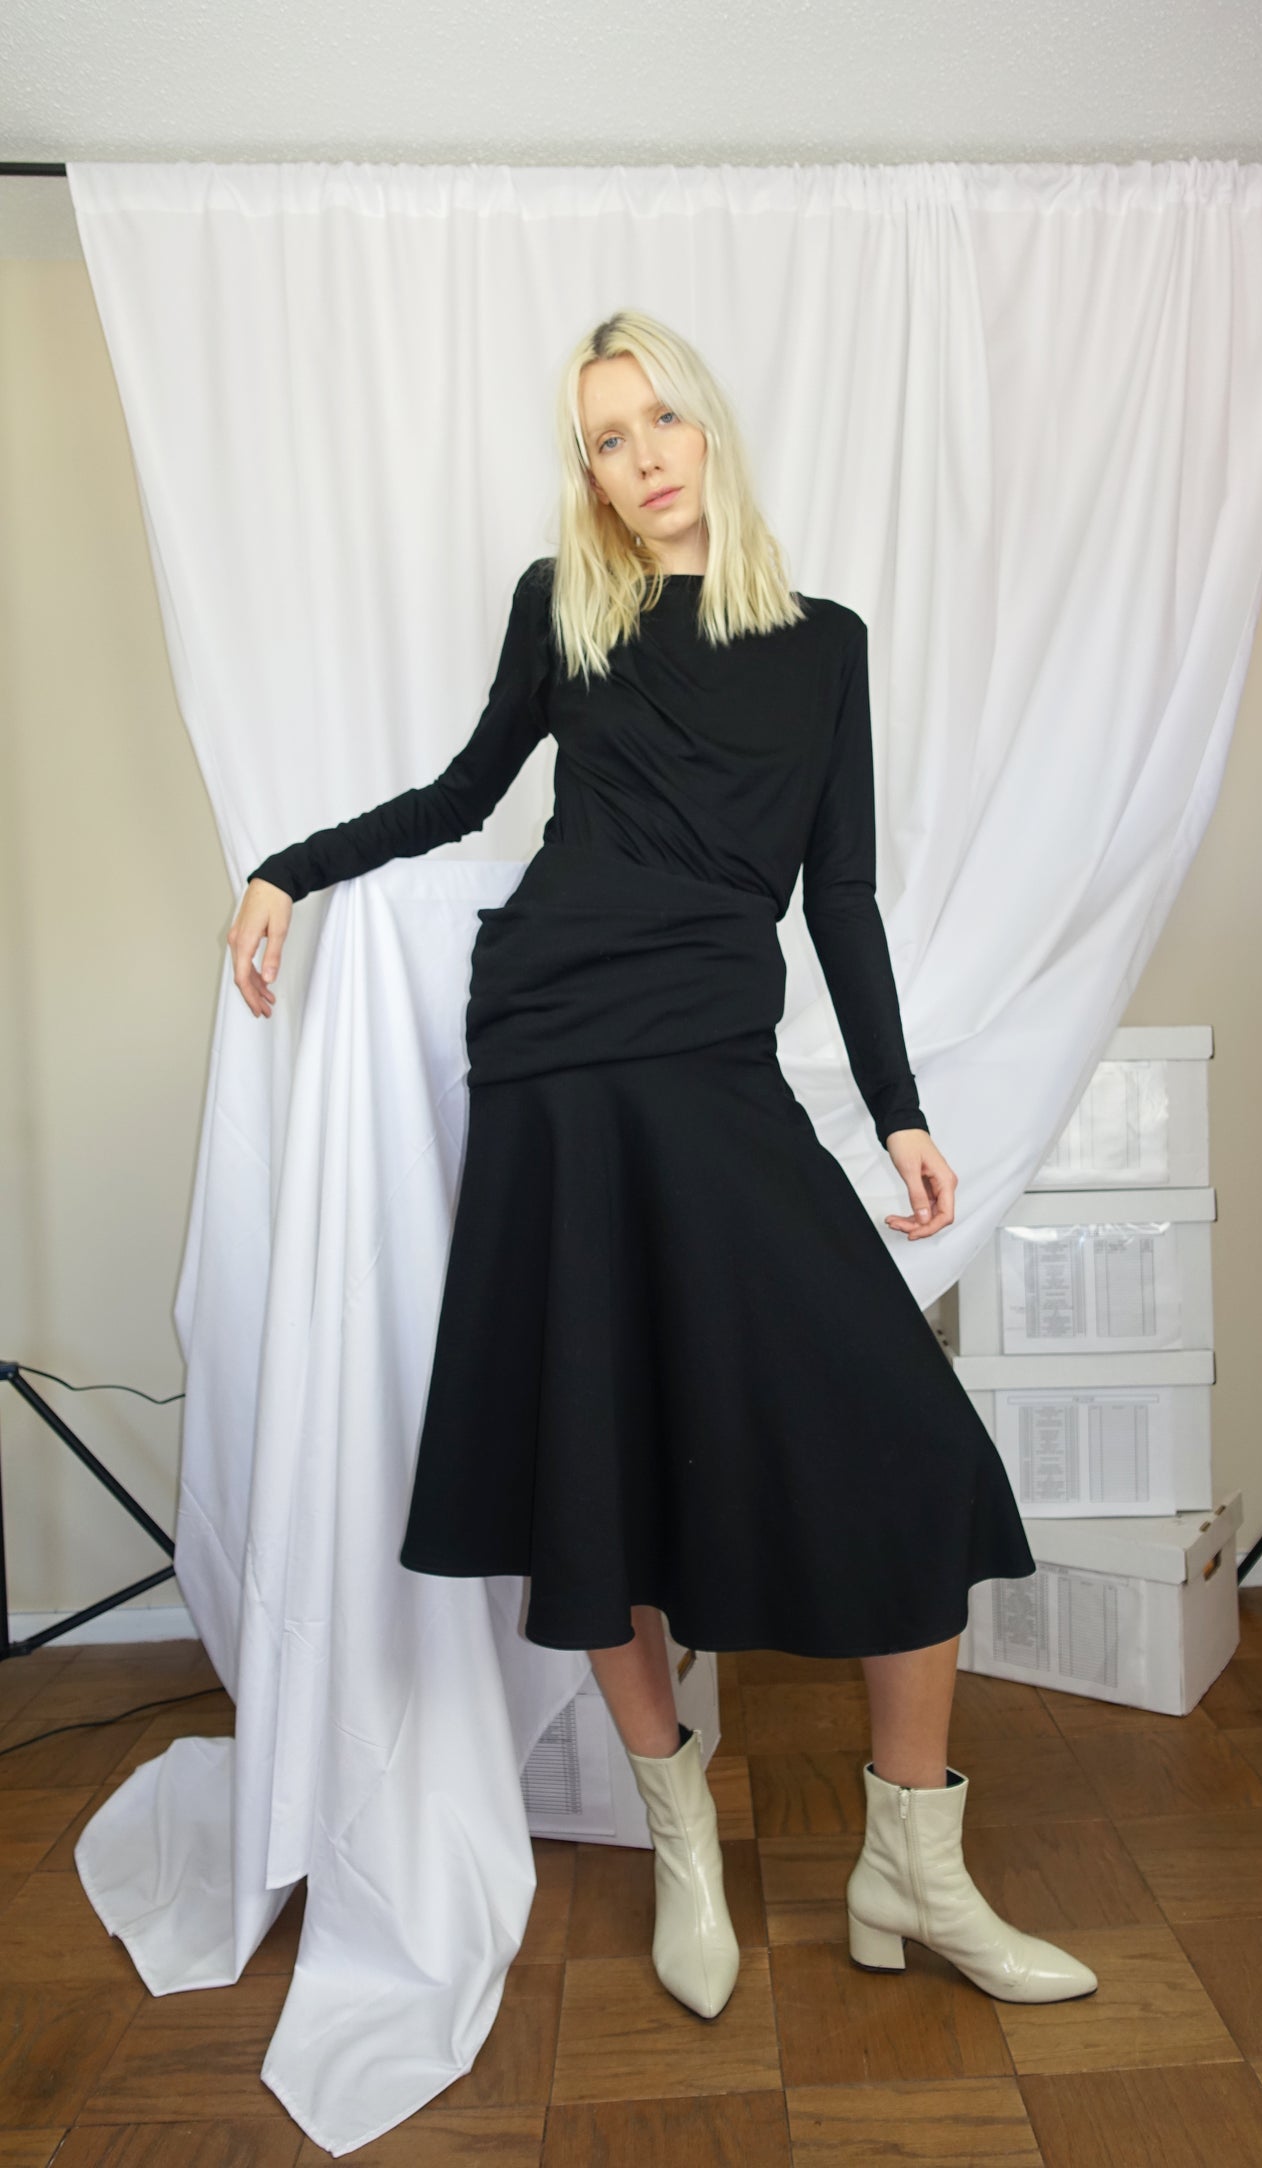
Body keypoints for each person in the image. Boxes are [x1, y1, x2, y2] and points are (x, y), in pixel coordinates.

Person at [228, 308, 1096, 2022]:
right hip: (551, 1051)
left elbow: (835, 898)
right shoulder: (567, 615)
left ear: (711, 431)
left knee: (907, 1446)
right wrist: (289, 864)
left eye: (658, 425)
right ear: (590, 470)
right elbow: (468, 794)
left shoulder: (824, 645)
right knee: (597, 1456)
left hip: (708, 1059)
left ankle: (908, 1868)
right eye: (604, 440)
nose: (638, 464)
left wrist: (901, 1109)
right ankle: (677, 1827)